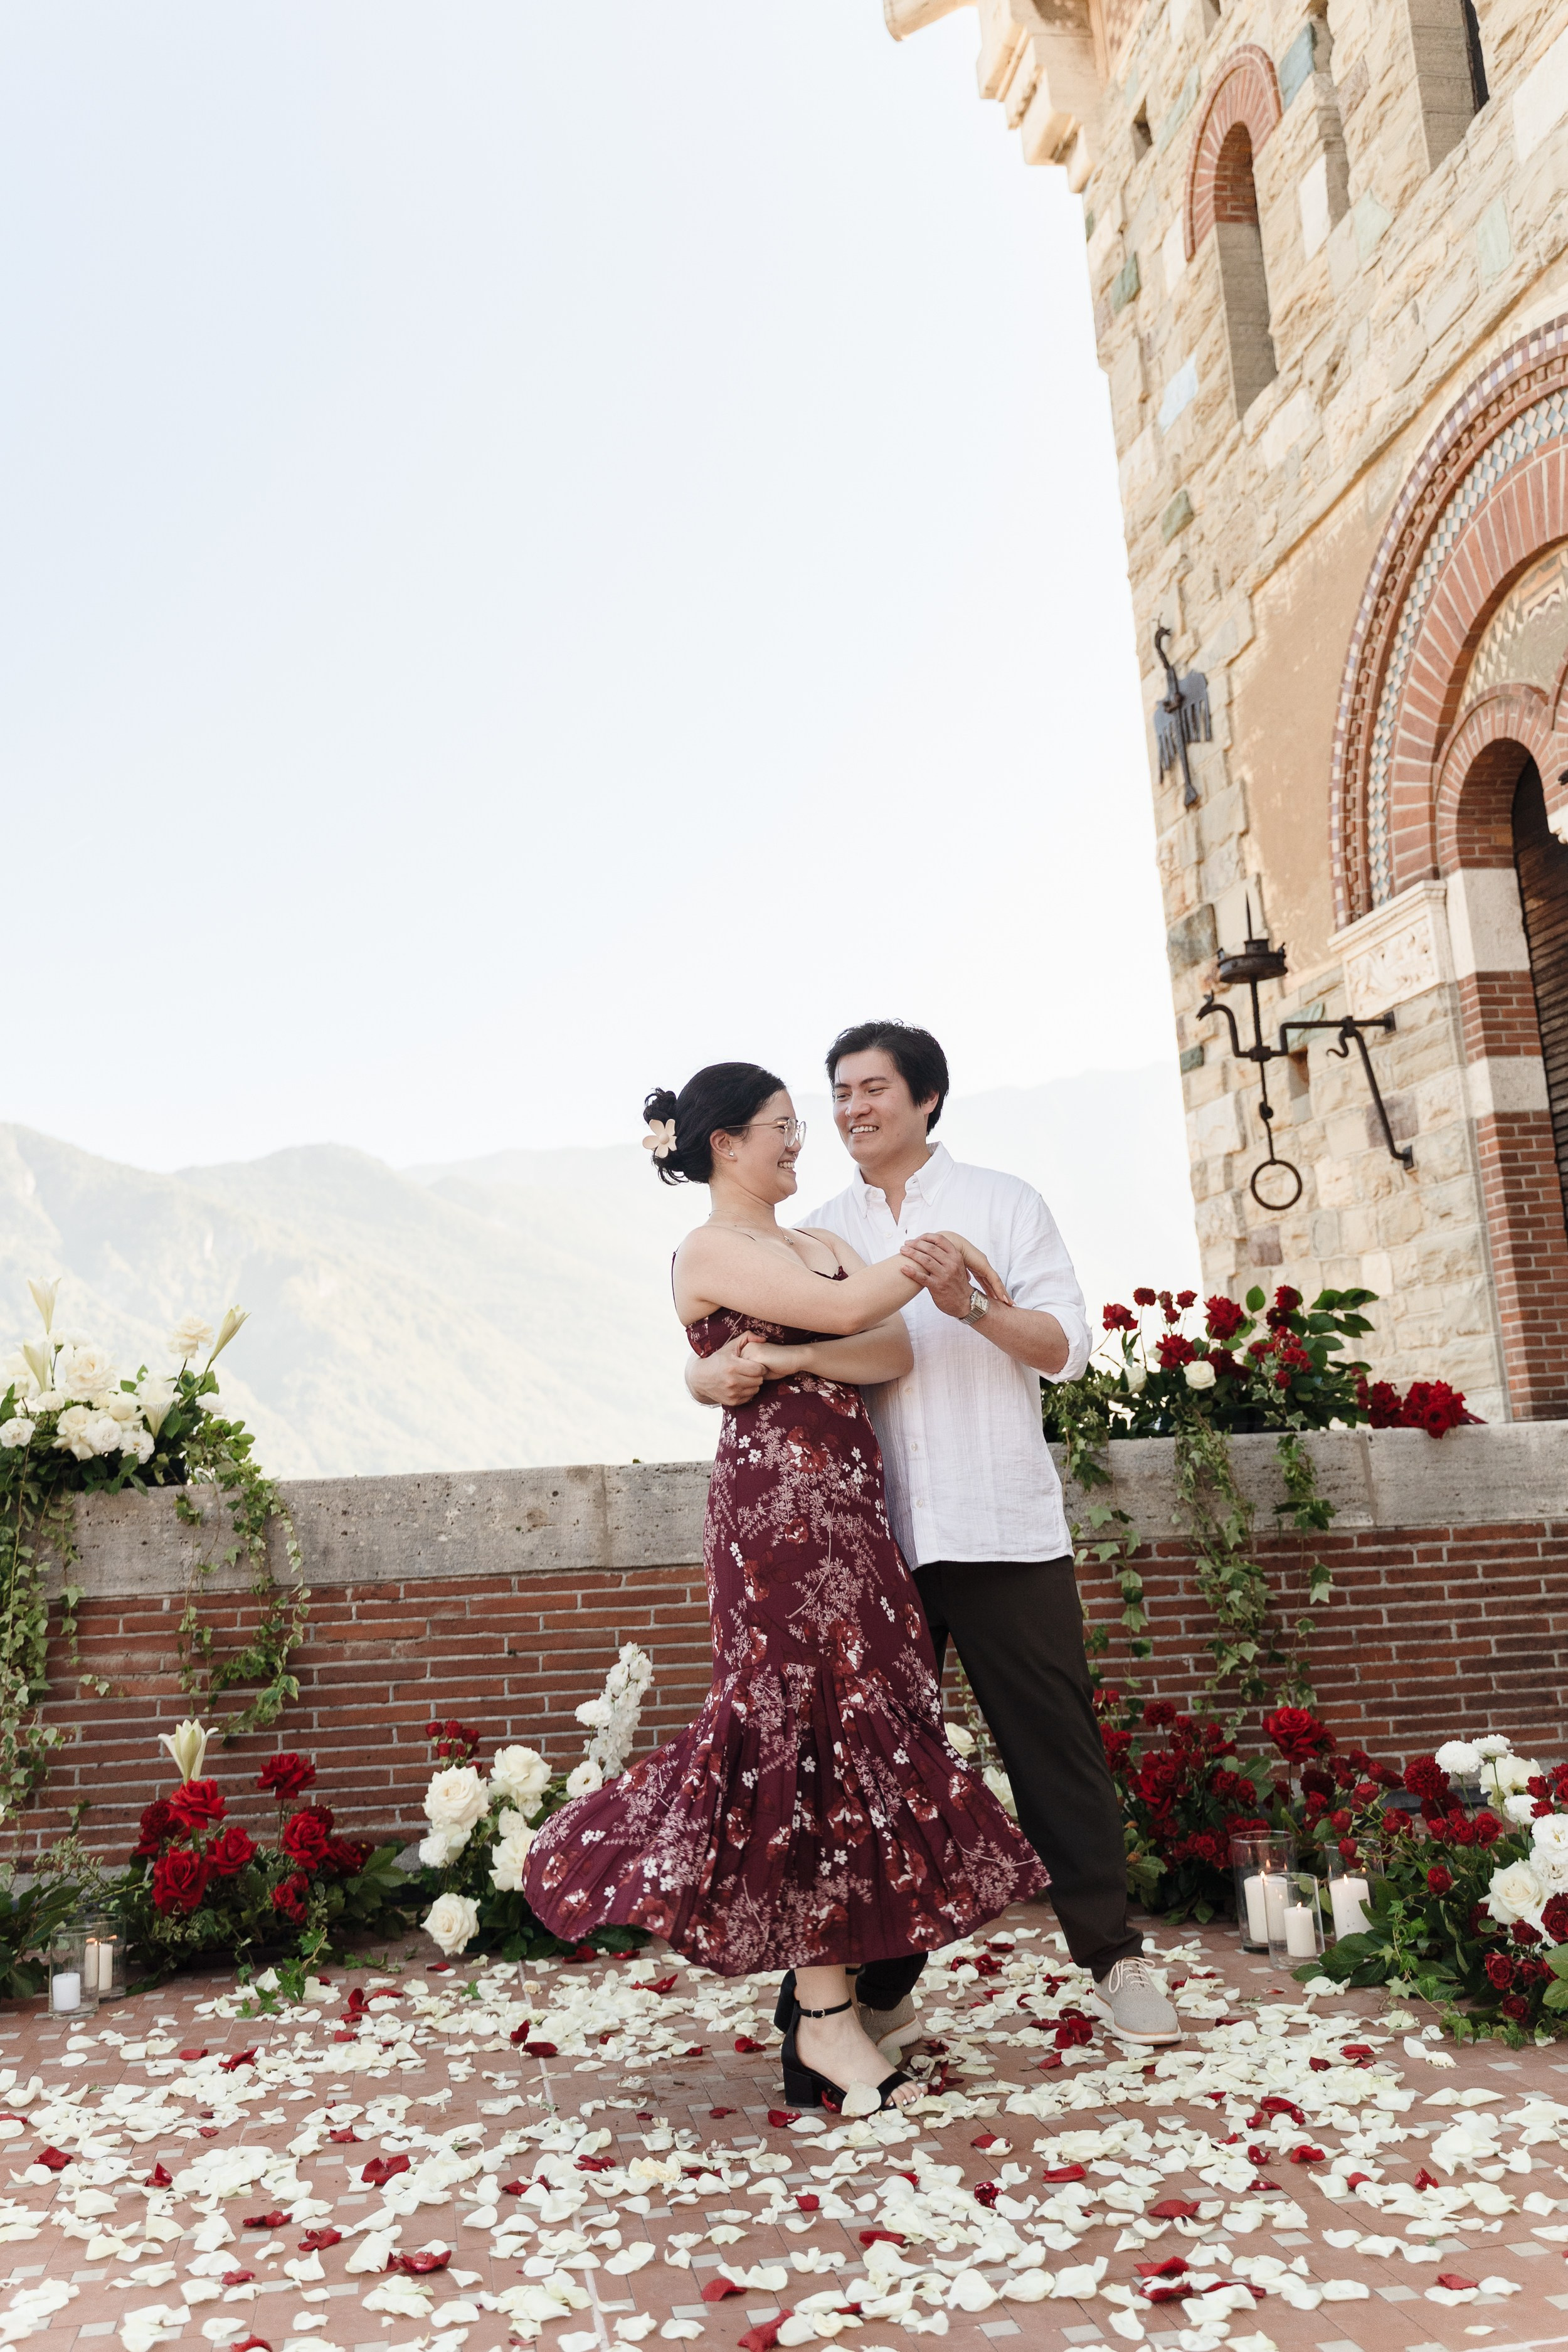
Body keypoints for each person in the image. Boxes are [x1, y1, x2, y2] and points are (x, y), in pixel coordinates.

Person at [522, 1060, 1047, 2113]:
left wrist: (788, 1347)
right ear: (723, 1143)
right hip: (773, 1527)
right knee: (797, 1736)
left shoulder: (816, 1242)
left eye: (797, 1127)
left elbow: (890, 1345)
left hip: (856, 1518)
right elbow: (856, 1308)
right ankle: (823, 2018)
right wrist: (883, 1285)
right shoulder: (710, 1247)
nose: (798, 1144)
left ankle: (833, 2013)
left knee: (864, 1727)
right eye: (780, 1128)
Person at [687, 1021, 1180, 2047]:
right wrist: (702, 1375)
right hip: (868, 1546)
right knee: (882, 1769)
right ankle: (877, 1990)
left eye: (872, 1088)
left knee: (1055, 1749)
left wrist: (973, 1307)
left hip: (999, 1520)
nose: (851, 1109)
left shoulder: (1005, 1202)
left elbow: (1065, 1349)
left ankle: (1116, 1957)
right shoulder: (814, 1228)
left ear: (927, 1100)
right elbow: (739, 1337)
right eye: (837, 1094)